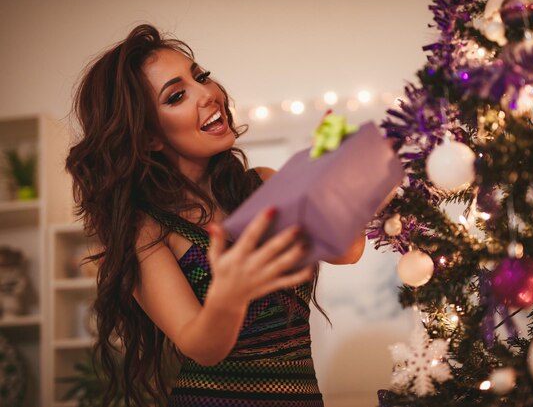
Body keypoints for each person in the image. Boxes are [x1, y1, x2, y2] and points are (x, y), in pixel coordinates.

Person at [65, 23, 365, 407]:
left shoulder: (262, 185)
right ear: (148, 137)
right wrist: (230, 293)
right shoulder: (145, 228)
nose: (208, 93)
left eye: (201, 76)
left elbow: (348, 248)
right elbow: (201, 347)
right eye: (177, 96)